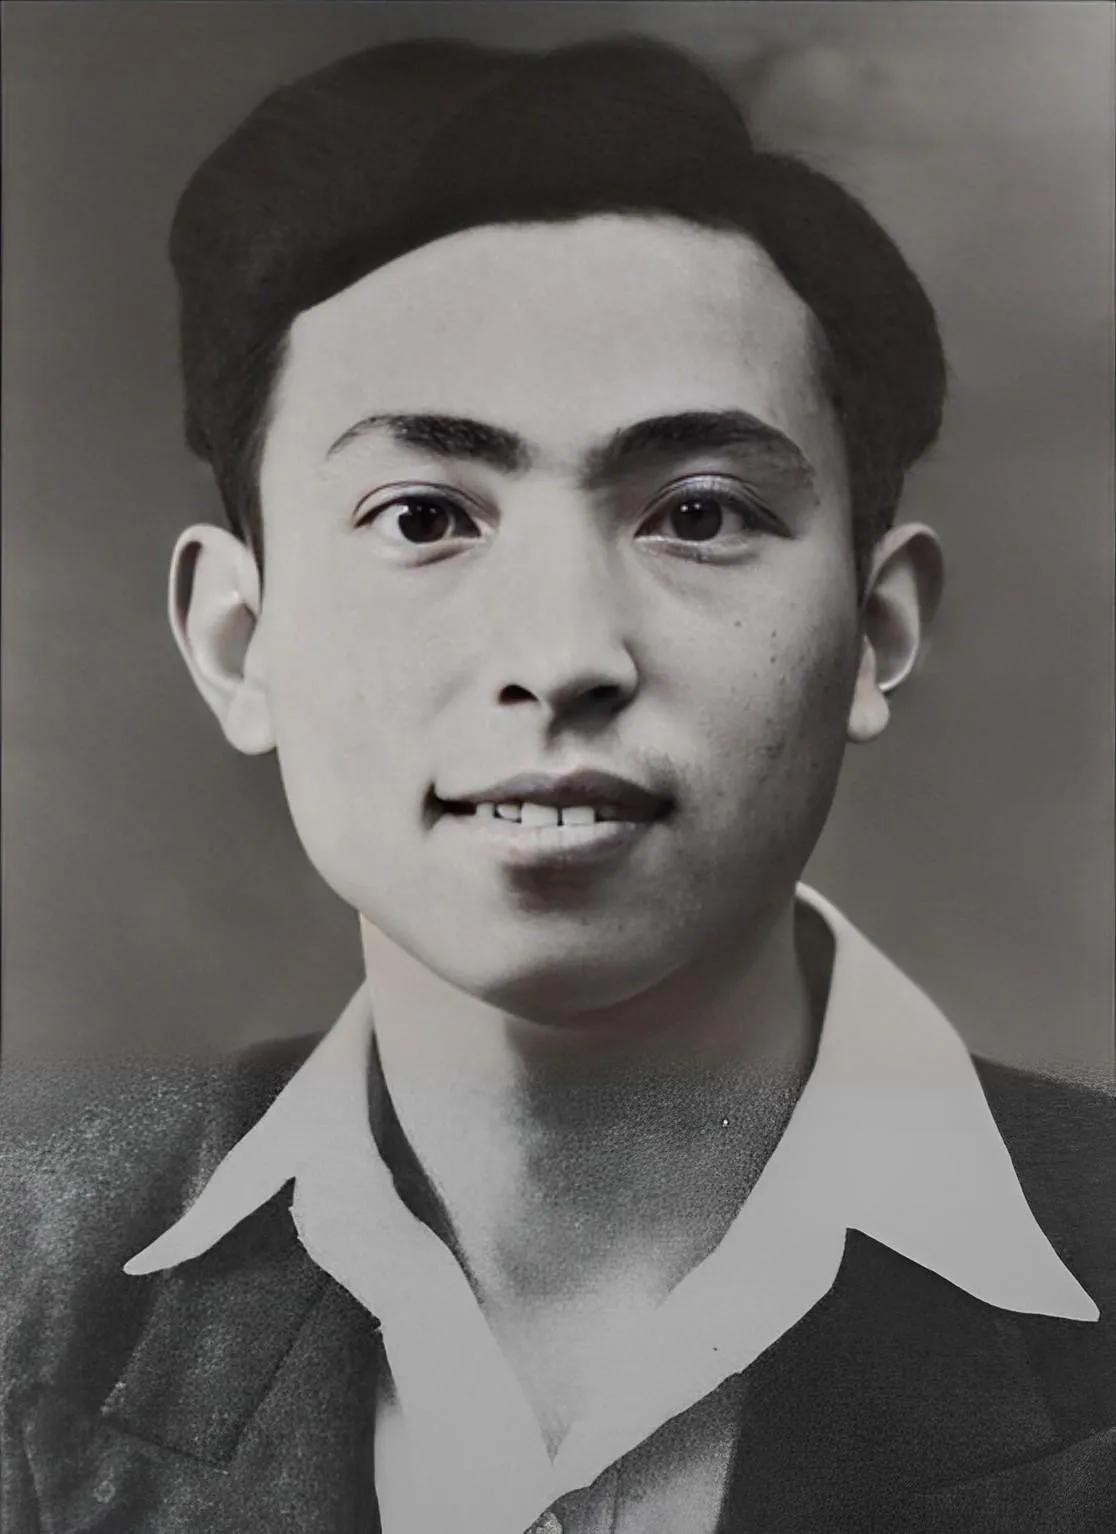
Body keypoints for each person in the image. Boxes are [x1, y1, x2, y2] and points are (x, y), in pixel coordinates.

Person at [2, 35, 1113, 1534]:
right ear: (237, 641)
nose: (566, 655)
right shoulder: (23, 1295)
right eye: (423, 516)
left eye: (699, 514)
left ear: (877, 628)